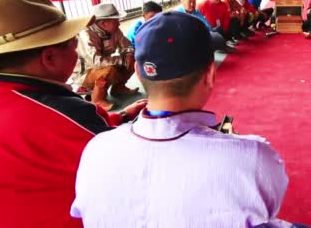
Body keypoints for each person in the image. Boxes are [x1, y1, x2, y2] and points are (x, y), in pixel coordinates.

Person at [71, 12, 293, 227]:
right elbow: (268, 208)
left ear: (138, 72)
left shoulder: (96, 149)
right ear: (210, 74)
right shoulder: (252, 156)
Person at [0, 0, 146, 227]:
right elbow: (131, 165)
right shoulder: (63, 112)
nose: (76, 49)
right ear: (49, 58)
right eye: (71, 45)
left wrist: (118, 117)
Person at [79, 3, 138, 111]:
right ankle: (97, 99)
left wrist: (129, 55)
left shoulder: (114, 30)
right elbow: (96, 62)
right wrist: (122, 60)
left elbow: (127, 45)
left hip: (103, 66)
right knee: (109, 69)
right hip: (84, 74)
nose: (119, 24)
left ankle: (118, 88)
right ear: (104, 23)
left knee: (134, 59)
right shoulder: (86, 34)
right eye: (116, 21)